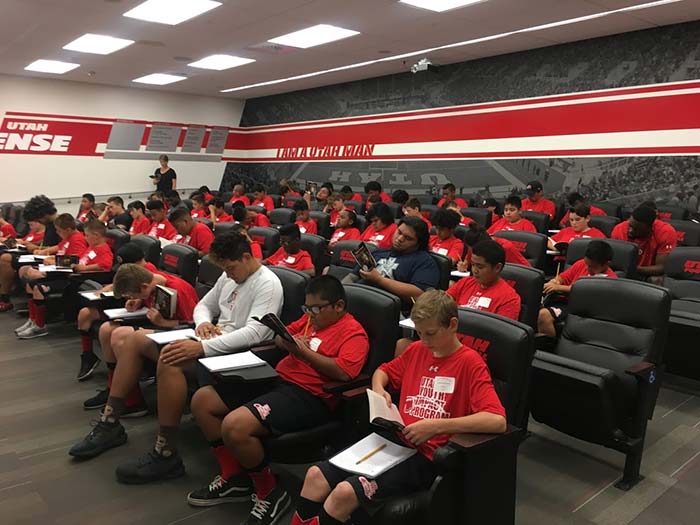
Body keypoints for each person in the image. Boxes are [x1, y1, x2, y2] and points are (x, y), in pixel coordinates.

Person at [291, 290, 506, 525]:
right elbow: (383, 371)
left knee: (343, 493)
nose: (424, 340)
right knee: (315, 476)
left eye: (431, 333)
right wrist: (379, 389)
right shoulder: (417, 350)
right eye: (419, 333)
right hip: (393, 440)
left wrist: (436, 426)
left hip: (427, 455)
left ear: (452, 324)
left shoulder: (470, 363)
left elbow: (496, 420)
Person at [182, 276, 368, 523]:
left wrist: (303, 352)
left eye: (316, 308)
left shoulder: (354, 334)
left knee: (235, 425)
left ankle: (270, 491)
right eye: (306, 308)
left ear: (339, 306)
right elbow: (282, 338)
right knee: (203, 401)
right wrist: (289, 342)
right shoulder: (309, 320)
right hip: (279, 379)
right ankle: (236, 478)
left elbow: (344, 373)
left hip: (310, 395)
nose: (310, 314)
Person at [111, 232, 285, 484]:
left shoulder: (267, 283)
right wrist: (203, 324)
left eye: (231, 267)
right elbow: (203, 306)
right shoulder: (228, 276)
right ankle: (110, 420)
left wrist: (204, 347)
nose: (229, 274)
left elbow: (256, 332)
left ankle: (166, 450)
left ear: (247, 257)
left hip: (242, 353)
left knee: (170, 359)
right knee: (137, 339)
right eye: (224, 268)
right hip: (212, 340)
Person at [69, 262, 199, 459]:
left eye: (134, 295)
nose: (133, 298)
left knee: (121, 336)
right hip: (159, 329)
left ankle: (130, 402)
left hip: (181, 336)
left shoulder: (179, 289)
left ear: (144, 288)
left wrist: (163, 323)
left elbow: (195, 324)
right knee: (107, 330)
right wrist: (138, 302)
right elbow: (150, 302)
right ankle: (114, 399)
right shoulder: (150, 280)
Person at [17, 220, 113, 340]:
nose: (85, 238)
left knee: (39, 288)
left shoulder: (103, 248)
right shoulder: (92, 248)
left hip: (77, 279)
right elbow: (76, 259)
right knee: (31, 283)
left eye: (87, 235)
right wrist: (54, 259)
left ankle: (40, 326)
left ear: (96, 236)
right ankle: (33, 319)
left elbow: (105, 265)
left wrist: (84, 268)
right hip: (69, 274)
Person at [74, 242, 157, 381]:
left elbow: (145, 295)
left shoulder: (150, 272)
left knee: (110, 331)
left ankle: (117, 379)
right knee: (85, 314)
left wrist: (134, 299)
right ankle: (88, 357)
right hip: (125, 306)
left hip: (141, 313)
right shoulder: (133, 272)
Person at [343, 217, 439, 306]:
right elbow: (352, 277)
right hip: (354, 299)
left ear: (418, 243)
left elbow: (419, 294)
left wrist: (379, 279)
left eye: (408, 238)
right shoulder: (378, 252)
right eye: (399, 232)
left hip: (385, 308)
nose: (400, 239)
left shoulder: (424, 261)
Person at [538, 240, 617, 337]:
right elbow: (564, 277)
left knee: (543, 316)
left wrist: (559, 287)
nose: (587, 268)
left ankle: (548, 348)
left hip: (581, 308)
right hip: (561, 300)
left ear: (605, 264)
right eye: (586, 264)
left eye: (591, 266)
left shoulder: (610, 279)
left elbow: (585, 292)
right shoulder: (581, 264)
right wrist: (555, 281)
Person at [0, 195, 60, 312]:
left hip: (49, 259)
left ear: (43, 215)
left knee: (6, 258)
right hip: (40, 254)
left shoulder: (59, 225)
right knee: (6, 256)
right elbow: (47, 243)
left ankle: (5, 299)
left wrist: (40, 249)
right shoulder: (49, 224)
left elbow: (61, 247)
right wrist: (33, 245)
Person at [447, 240, 521, 320]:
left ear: (497, 268)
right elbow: (442, 305)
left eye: (480, 267)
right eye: (473, 265)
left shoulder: (509, 299)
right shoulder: (465, 282)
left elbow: (501, 330)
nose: (474, 270)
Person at [611, 204, 676, 282]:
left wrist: (633, 269)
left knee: (657, 280)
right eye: (630, 226)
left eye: (636, 229)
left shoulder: (665, 232)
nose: (630, 231)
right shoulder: (619, 229)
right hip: (623, 274)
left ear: (650, 227)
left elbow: (661, 267)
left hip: (648, 275)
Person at [457, 223, 531, 270]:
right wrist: (463, 266)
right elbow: (467, 263)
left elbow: (527, 271)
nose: (471, 250)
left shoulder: (506, 247)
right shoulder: (473, 245)